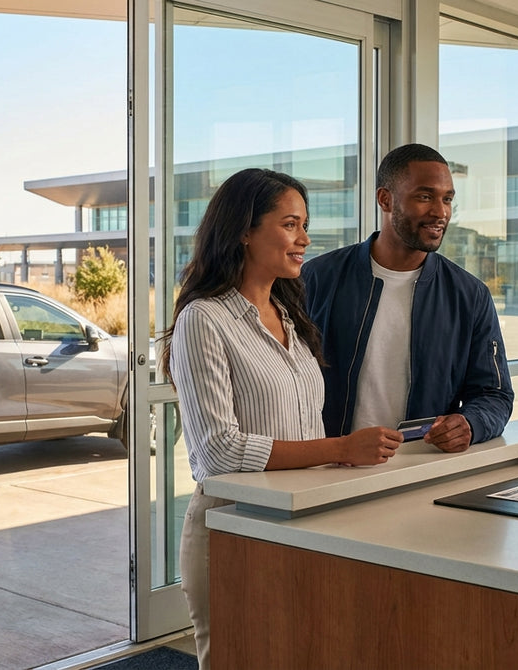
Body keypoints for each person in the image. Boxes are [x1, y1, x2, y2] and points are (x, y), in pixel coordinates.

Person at [160, 167, 403, 669]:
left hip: (302, 523)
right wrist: (340, 449)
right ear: (244, 230)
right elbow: (217, 451)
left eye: (304, 225)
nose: (305, 239)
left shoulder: (289, 316)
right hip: (233, 531)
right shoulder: (203, 319)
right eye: (290, 224)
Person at [302, 143, 514, 453]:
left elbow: (494, 394)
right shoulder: (318, 278)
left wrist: (471, 423)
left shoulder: (469, 295)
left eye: (447, 199)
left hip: (418, 468)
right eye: (424, 197)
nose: (440, 212)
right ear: (385, 199)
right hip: (328, 466)